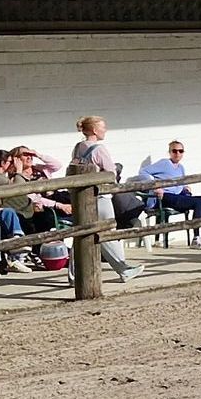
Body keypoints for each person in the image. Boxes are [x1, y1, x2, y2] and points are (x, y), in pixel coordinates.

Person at [68, 115, 143, 283]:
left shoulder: (78, 147)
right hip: (101, 196)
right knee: (108, 232)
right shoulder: (99, 149)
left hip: (83, 197)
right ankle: (123, 269)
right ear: (95, 130)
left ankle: (74, 275)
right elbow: (111, 173)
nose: (105, 130)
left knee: (81, 234)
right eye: (103, 127)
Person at [136, 141, 201, 248]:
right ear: (170, 152)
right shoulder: (164, 163)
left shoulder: (181, 167)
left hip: (177, 196)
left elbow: (180, 183)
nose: (177, 153)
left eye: (180, 151)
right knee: (198, 202)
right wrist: (154, 186)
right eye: (174, 151)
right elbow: (143, 172)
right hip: (164, 197)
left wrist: (185, 187)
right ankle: (196, 238)